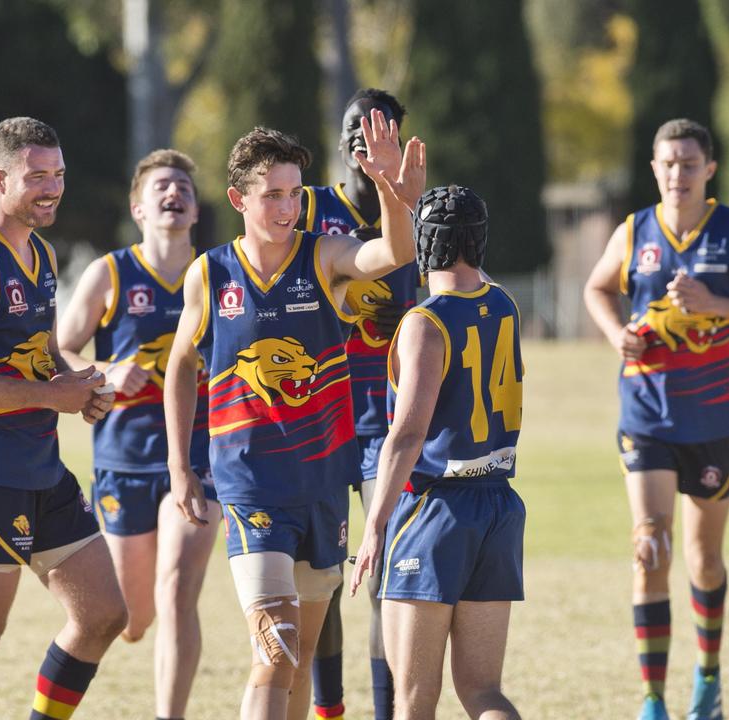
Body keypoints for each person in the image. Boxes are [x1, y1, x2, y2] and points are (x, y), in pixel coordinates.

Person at [163, 116, 425, 720]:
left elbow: (395, 253)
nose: (288, 207)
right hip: (252, 485)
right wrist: (181, 466)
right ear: (238, 200)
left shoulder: (323, 257)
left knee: (300, 654)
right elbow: (181, 365)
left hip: (322, 485)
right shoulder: (211, 274)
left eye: (295, 193)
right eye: (272, 195)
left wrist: (387, 185)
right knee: (275, 650)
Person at [582, 118, 729, 720]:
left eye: (689, 163)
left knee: (703, 558)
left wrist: (715, 303)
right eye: (668, 163)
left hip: (716, 419)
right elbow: (597, 289)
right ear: (654, 169)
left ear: (709, 169)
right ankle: (652, 700)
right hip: (645, 413)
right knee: (650, 546)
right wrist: (614, 332)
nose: (678, 173)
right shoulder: (634, 233)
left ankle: (708, 679)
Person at [0, 116, 128, 720]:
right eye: (37, 176)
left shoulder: (37, 252)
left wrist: (83, 382)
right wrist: (50, 396)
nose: (52, 188)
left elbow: (42, 353)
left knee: (102, 614)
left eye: (58, 175)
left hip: (41, 467)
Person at [350, 185, 525, 720]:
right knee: (483, 693)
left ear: (424, 246)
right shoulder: (504, 304)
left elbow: (406, 435)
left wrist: (375, 524)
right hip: (498, 505)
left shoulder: (424, 324)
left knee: (414, 701)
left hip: (435, 510)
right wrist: (409, 198)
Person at [56, 148, 219, 720]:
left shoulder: (218, 272)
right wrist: (102, 372)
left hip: (199, 461)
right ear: (138, 207)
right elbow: (58, 348)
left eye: (183, 188)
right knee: (131, 618)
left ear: (196, 211)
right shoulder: (112, 273)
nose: (174, 194)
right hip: (123, 461)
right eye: (161, 187)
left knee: (178, 591)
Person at [297, 87, 420, 720]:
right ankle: (329, 708)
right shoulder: (308, 210)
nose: (365, 138)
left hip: (388, 427)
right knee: (319, 582)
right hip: (317, 422)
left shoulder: (419, 217)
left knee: (382, 576)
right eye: (354, 126)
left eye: (380, 129)